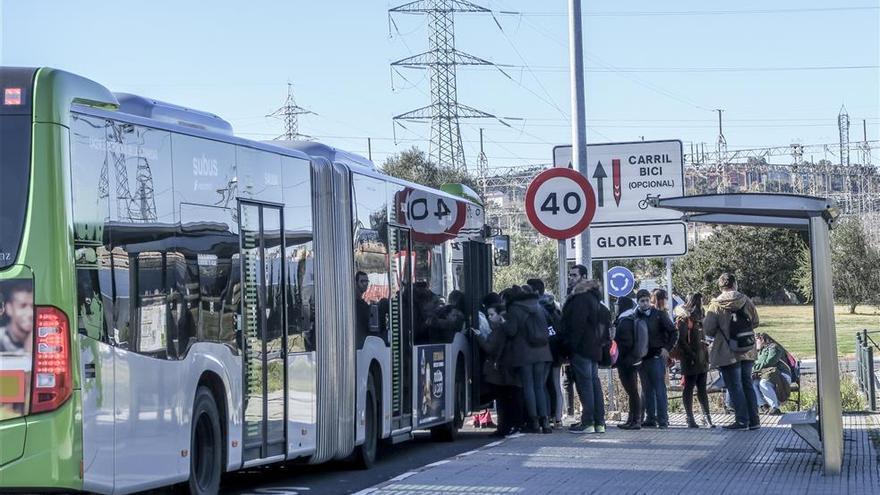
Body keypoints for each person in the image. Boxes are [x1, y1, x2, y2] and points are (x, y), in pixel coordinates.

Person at [703, 272, 761, 431]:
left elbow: (708, 328)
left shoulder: (715, 304)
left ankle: (742, 421)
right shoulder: (746, 300)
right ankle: (754, 421)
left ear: (720, 286)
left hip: (727, 351)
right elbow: (756, 322)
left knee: (735, 386)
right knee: (747, 383)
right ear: (735, 284)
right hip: (747, 349)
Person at [561, 265, 611, 434]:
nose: (571, 278)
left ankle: (588, 422)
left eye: (574, 275)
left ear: (583, 277)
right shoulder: (595, 298)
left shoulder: (580, 298)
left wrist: (570, 348)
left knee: (585, 385)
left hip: (582, 348)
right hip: (594, 348)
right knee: (593, 384)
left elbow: (576, 325)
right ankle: (599, 422)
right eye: (570, 275)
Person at [503, 285, 553, 434]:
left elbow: (511, 331)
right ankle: (546, 422)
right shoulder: (538, 306)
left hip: (524, 353)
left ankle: (534, 422)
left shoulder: (514, 309)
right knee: (540, 387)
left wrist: (502, 322)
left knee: (529, 387)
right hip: (543, 352)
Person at [672, 293, 714, 428]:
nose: (701, 305)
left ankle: (706, 417)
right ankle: (690, 417)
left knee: (702, 388)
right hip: (690, 359)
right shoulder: (685, 319)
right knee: (689, 387)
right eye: (699, 302)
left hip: (702, 357)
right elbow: (682, 340)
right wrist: (692, 355)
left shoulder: (700, 317)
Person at [527, 278, 565, 428]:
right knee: (555, 384)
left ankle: (548, 416)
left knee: (542, 385)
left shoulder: (536, 308)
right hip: (556, 349)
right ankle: (558, 417)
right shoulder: (554, 306)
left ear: (535, 292)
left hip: (544, 350)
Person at [638, 288, 678, 428]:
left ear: (650, 300)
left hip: (656, 357)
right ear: (638, 302)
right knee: (647, 389)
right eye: (641, 301)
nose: (644, 303)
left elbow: (673, 332)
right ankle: (650, 418)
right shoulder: (636, 316)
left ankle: (663, 419)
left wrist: (667, 348)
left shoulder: (659, 315)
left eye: (646, 300)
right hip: (642, 359)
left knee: (659, 389)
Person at [613, 295, 644, 429]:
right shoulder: (630, 318)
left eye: (617, 305)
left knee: (632, 391)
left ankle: (635, 420)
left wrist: (619, 355)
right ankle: (632, 419)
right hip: (633, 360)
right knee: (632, 391)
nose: (616, 308)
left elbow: (626, 342)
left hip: (627, 361)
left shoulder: (625, 321)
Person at [752, 333, 792, 415]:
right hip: (768, 375)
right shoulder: (761, 351)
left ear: (762, 339)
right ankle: (764, 407)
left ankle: (775, 408)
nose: (754, 343)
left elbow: (769, 362)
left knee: (764, 383)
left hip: (782, 374)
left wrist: (752, 369)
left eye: (756, 340)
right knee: (753, 383)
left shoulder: (774, 348)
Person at [0, 282, 34, 354]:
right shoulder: (1, 338)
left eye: (33, 306)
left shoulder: (42, 337)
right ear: (9, 309)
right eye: (23, 306)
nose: (30, 313)